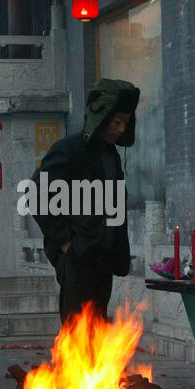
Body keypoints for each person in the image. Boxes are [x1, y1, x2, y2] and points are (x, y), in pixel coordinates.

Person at [32, 78, 139, 323]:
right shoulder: (68, 150)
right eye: (117, 121)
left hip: (105, 255)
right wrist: (66, 241)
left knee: (98, 326)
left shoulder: (111, 156)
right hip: (78, 255)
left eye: (126, 122)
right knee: (76, 329)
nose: (121, 129)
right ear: (103, 116)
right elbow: (36, 194)